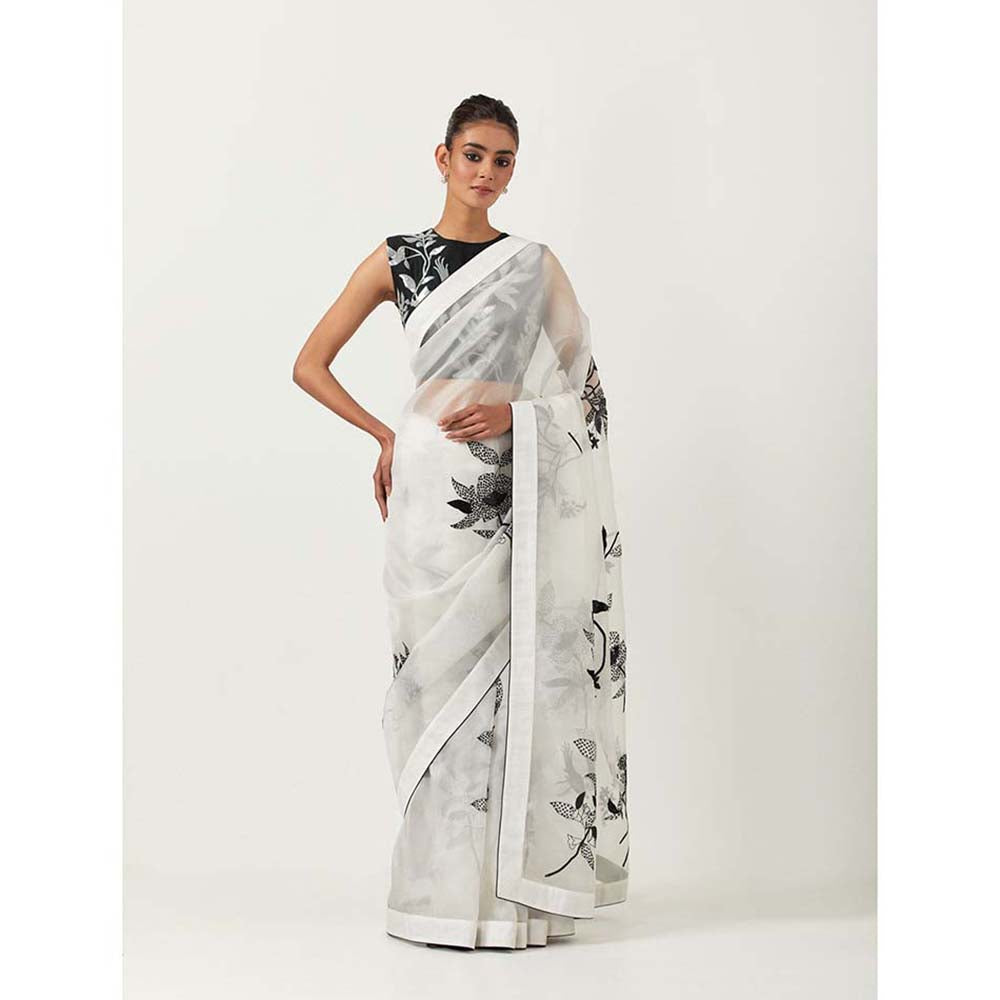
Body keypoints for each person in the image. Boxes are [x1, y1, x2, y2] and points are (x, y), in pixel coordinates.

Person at [293, 94, 629, 950]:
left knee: (517, 680)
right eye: (473, 154)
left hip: (513, 485)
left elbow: (586, 392)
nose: (487, 172)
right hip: (428, 491)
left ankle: (510, 899)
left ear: (514, 171)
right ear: (442, 158)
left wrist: (515, 414)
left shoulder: (533, 264)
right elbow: (310, 363)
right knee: (431, 680)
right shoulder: (398, 260)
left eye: (503, 160)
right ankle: (438, 893)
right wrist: (384, 436)